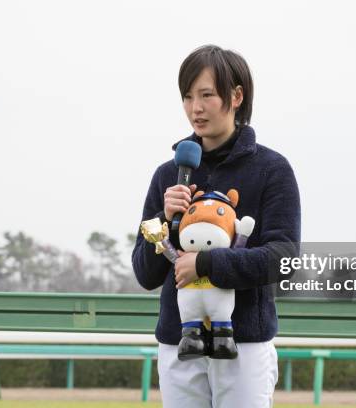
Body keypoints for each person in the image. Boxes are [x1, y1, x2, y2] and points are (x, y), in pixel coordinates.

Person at [132, 44, 301, 408]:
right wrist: (165, 220)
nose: (196, 107)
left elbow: (283, 258)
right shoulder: (167, 175)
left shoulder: (272, 169)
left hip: (245, 344)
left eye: (207, 95)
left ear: (236, 96)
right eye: (188, 96)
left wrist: (207, 266)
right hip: (178, 343)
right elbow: (145, 273)